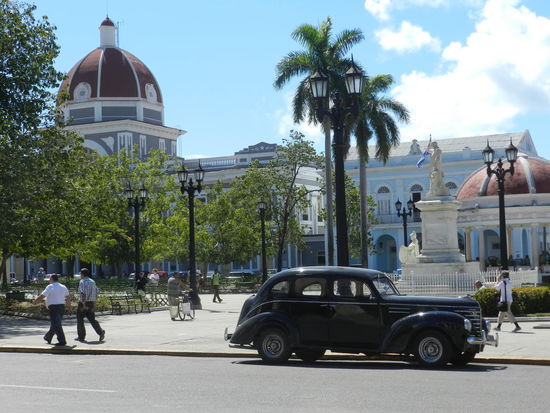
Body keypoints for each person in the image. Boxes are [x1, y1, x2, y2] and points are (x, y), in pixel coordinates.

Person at [32, 274, 72, 346]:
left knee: (57, 324)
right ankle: (48, 337)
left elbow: (42, 295)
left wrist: (35, 302)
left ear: (52, 279)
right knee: (55, 323)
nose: (49, 281)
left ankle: (62, 341)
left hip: (54, 307)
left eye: (49, 279)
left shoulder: (50, 286)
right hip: (61, 307)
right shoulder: (63, 287)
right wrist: (69, 308)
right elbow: (68, 298)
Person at [76, 268, 105, 342]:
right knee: (92, 319)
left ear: (82, 274)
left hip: (83, 303)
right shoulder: (92, 281)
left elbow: (83, 293)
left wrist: (84, 304)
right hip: (91, 302)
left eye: (80, 274)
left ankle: (81, 337)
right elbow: (96, 292)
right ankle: (100, 332)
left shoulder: (82, 281)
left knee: (80, 319)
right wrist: (94, 303)